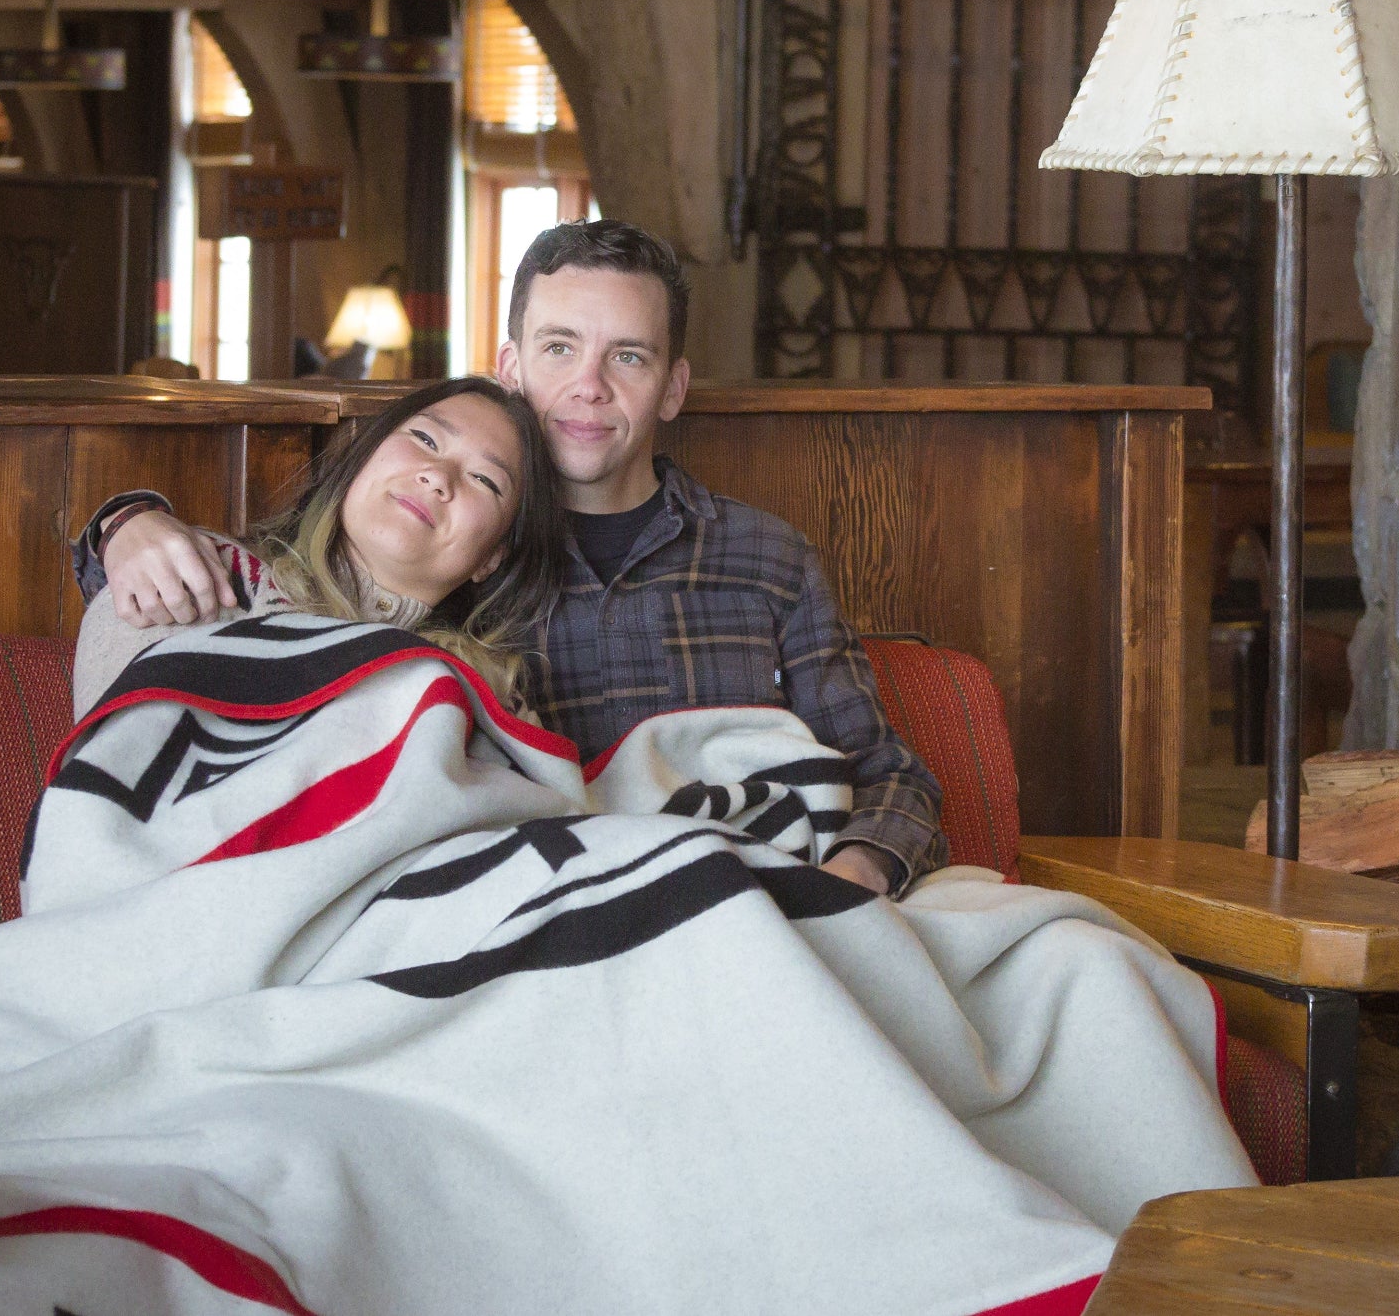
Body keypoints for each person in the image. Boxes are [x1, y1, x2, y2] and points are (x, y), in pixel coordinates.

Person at [79, 222, 944, 897]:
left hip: (764, 897)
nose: (589, 385)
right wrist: (123, 525)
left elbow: (884, 771)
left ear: (672, 387)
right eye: (560, 347)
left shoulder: (767, 557)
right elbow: (266, 608)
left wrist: (851, 886)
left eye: (629, 357)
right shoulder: (443, 550)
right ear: (512, 366)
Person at [74, 376, 565, 718]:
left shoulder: (485, 693)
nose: (438, 476)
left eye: (484, 479)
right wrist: (125, 522)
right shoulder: (199, 574)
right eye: (424, 439)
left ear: (492, 557)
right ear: (363, 456)